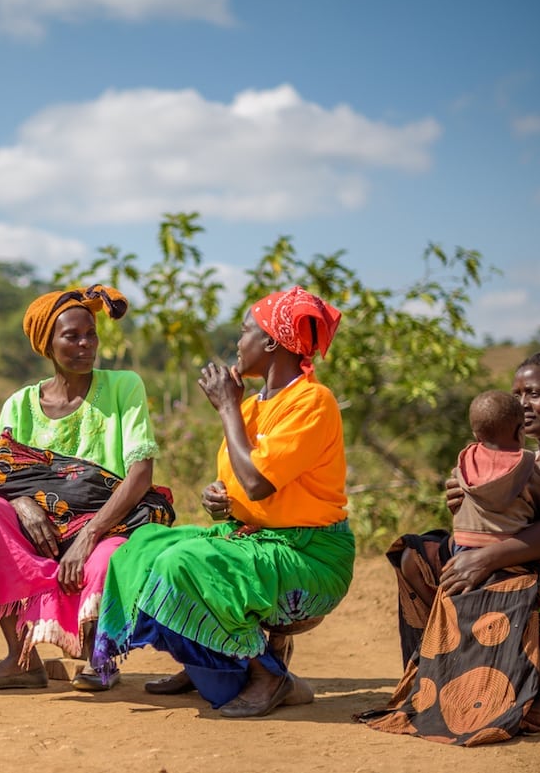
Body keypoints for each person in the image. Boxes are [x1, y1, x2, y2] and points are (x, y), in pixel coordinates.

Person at [92, 285, 354, 718]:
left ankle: (268, 675)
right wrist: (219, 498)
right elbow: (235, 489)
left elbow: (256, 485)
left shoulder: (312, 402)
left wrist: (228, 409)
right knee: (143, 547)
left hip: (311, 556)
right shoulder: (251, 406)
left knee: (184, 564)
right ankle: (205, 661)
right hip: (254, 539)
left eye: (245, 331)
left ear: (271, 342)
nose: (237, 342)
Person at [365, 353, 540, 745]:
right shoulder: (514, 463)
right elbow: (501, 535)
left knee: (489, 574)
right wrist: (470, 507)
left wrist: (486, 556)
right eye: (516, 394)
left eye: (535, 393)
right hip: (536, 591)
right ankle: (443, 682)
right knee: (419, 556)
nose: (523, 403)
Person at [0, 284, 173, 692]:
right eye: (71, 336)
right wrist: (21, 504)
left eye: (91, 334)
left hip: (111, 523)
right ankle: (22, 658)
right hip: (39, 527)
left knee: (104, 560)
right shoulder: (20, 404)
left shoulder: (125, 386)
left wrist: (89, 533)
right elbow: (2, 476)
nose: (86, 344)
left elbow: (140, 473)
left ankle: (99, 658)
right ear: (47, 345)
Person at [450, 389, 540, 554]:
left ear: (476, 435)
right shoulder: (524, 464)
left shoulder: (465, 460)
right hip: (509, 546)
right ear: (520, 432)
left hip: (463, 544)